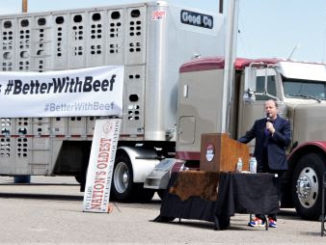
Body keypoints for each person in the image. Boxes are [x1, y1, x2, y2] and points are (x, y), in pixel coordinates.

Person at [238, 99, 291, 228]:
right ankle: (259, 218)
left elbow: (286, 141)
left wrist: (273, 131)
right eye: (266, 107)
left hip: (277, 164)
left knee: (274, 192)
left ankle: (272, 218)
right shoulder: (259, 123)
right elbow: (247, 137)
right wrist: (232, 142)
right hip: (261, 162)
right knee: (259, 189)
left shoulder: (284, 123)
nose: (268, 110)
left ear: (276, 109)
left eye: (271, 107)